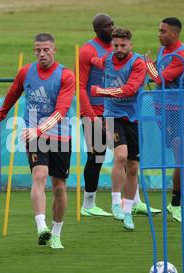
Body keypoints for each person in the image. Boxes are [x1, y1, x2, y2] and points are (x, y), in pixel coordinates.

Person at [0, 33, 75, 249]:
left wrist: (38, 129)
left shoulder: (66, 75)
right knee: (39, 175)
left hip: (60, 135)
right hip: (34, 134)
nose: (42, 54)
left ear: (54, 50)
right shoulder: (26, 71)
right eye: (38, 50)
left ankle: (56, 233)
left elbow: (61, 111)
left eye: (46, 50)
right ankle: (41, 226)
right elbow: (12, 94)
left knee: (59, 188)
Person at [90, 28, 160, 230]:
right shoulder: (108, 59)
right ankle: (114, 202)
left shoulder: (138, 63)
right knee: (120, 156)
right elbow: (96, 61)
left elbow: (129, 89)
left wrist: (100, 90)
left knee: (134, 166)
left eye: (123, 45)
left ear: (131, 45)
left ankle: (128, 211)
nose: (118, 49)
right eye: (115, 45)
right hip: (112, 114)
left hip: (134, 117)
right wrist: (86, 61)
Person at [145, 17, 184, 223]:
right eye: (159, 30)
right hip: (164, 110)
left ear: (175, 34)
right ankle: (181, 198)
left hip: (181, 109)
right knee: (181, 152)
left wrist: (147, 65)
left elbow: (159, 78)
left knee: (181, 150)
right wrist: (152, 66)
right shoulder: (164, 50)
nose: (159, 34)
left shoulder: (183, 55)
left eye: (163, 31)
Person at [78, 13, 114, 217]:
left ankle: (131, 202)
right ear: (97, 30)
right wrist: (91, 116)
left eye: (113, 24)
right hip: (94, 111)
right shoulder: (87, 50)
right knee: (96, 156)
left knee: (125, 156)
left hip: (115, 110)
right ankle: (89, 204)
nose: (112, 28)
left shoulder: (117, 48)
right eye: (107, 25)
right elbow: (81, 87)